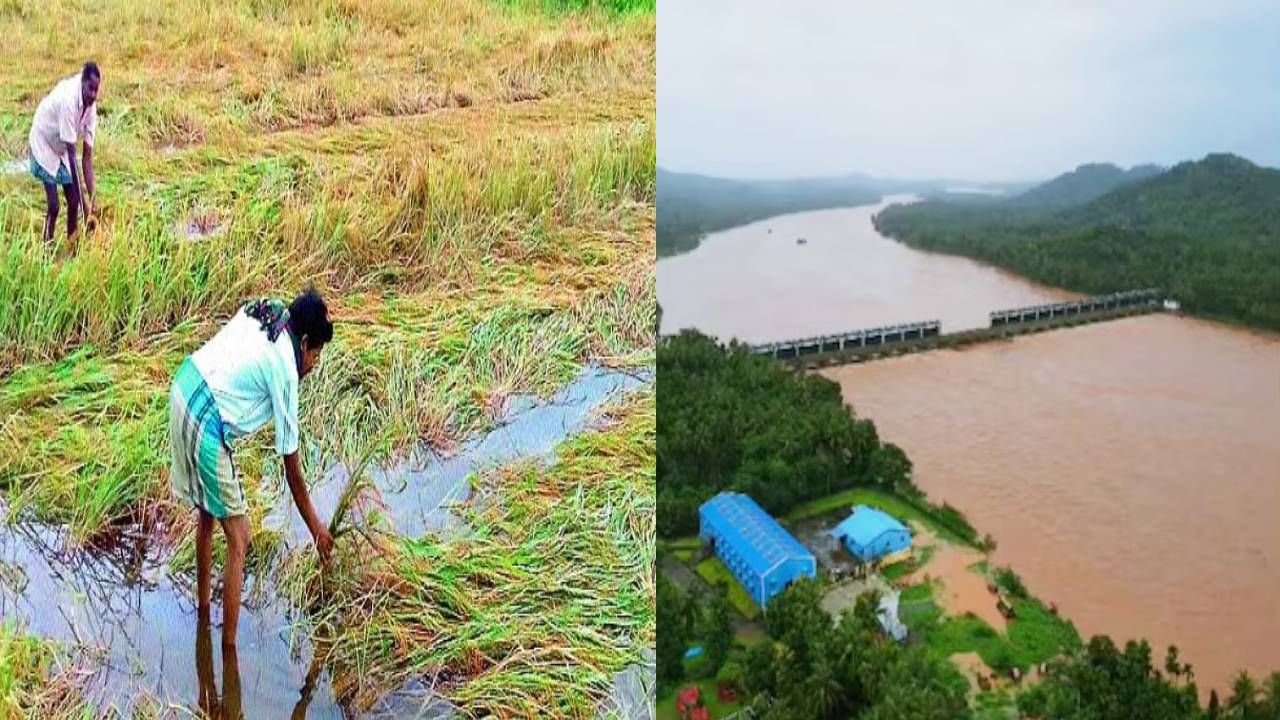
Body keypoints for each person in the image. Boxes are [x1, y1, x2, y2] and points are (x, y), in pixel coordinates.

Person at [170, 287, 335, 648]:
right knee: (240, 535)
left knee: (208, 515)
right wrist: (317, 530)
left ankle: (202, 615)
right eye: (316, 354)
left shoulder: (269, 310)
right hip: (204, 419)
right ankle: (228, 653)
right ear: (304, 344)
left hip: (184, 387)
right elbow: (291, 470)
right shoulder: (287, 373)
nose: (315, 364)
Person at [29, 61, 100, 244]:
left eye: (96, 90)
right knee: (54, 205)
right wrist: (85, 209)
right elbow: (71, 154)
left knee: (74, 199)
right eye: (90, 89)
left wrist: (92, 200)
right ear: (82, 82)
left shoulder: (91, 109)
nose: (93, 95)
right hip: (44, 140)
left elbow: (86, 159)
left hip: (60, 144)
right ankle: (47, 250)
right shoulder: (69, 101)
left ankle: (72, 245)